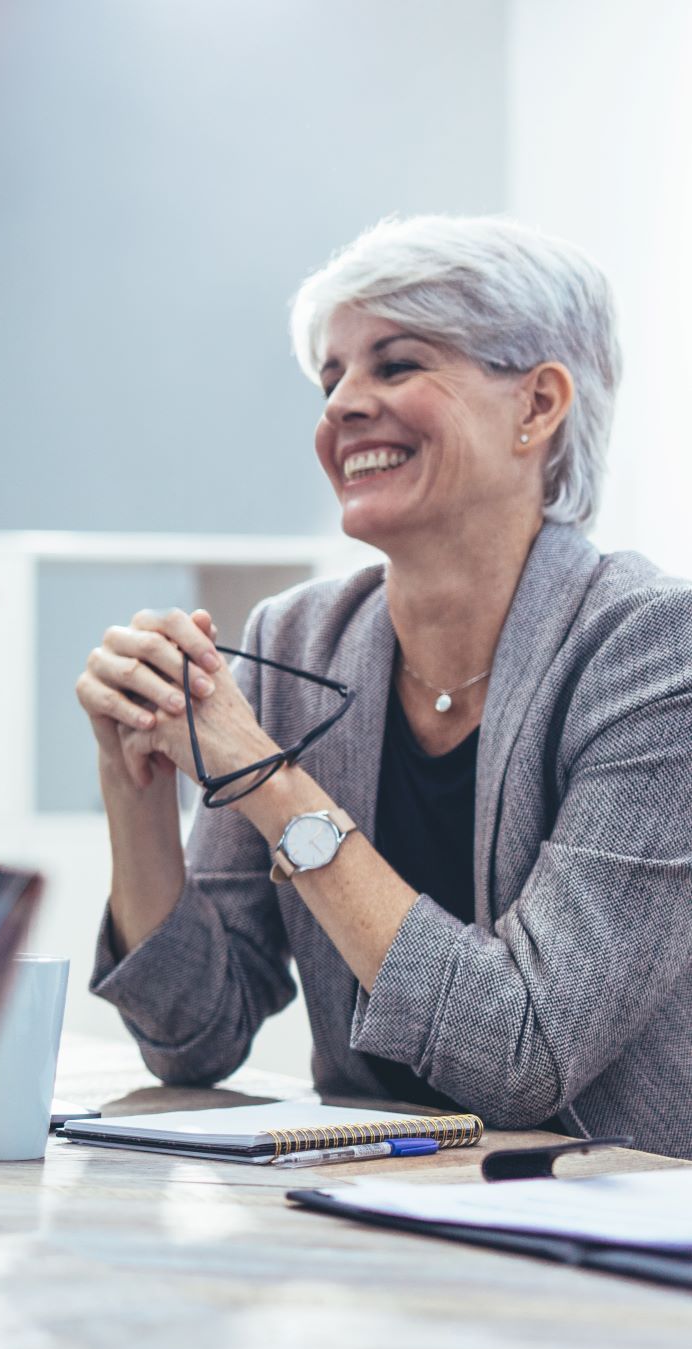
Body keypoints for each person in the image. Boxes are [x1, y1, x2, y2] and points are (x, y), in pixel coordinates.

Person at [78, 215, 692, 1161]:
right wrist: (134, 775)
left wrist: (263, 776)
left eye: (396, 366)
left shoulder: (651, 650)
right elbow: (191, 1034)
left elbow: (521, 1054)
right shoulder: (300, 638)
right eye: (332, 378)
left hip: (612, 1250)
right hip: (373, 1218)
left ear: (537, 406)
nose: (342, 407)